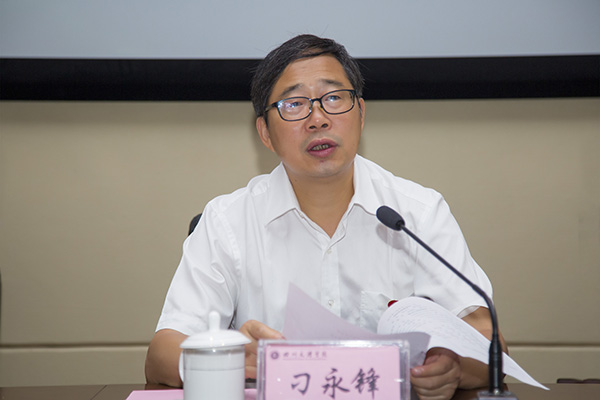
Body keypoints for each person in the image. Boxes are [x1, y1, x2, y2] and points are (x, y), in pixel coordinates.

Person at [145, 34, 507, 400]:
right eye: (294, 104)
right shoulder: (227, 221)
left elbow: (489, 343)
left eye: (334, 98)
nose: (318, 119)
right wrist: (232, 357)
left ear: (361, 113)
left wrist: (453, 367)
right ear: (265, 133)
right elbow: (161, 355)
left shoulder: (418, 214)